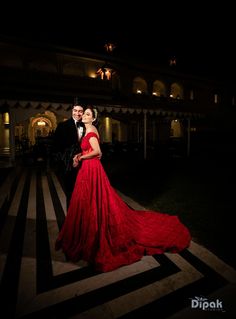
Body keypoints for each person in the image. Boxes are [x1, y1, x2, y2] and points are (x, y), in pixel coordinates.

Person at [55, 107, 191, 272]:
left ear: (93, 119)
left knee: (96, 199)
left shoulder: (90, 129)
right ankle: (88, 229)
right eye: (84, 113)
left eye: (87, 114)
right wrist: (79, 155)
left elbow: (98, 151)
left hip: (91, 169)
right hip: (88, 168)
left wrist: (81, 156)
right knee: (88, 200)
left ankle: (96, 232)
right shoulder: (88, 128)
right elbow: (92, 150)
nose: (84, 115)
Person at [53, 98, 85, 208]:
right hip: (69, 167)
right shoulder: (62, 126)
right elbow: (56, 147)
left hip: (85, 166)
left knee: (84, 195)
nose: (77, 113)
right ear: (72, 110)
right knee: (71, 194)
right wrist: (65, 162)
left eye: (80, 111)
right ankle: (71, 221)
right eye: (75, 110)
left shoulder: (87, 126)